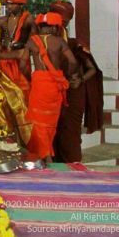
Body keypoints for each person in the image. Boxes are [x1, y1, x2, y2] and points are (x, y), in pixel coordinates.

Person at [50, 0, 104, 162]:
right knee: (52, 131)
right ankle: (56, 168)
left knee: (70, 133)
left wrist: (80, 80)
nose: (60, 25)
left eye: (64, 21)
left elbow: (92, 69)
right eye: (57, 20)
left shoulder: (75, 44)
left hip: (73, 93)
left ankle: (73, 167)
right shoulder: (44, 41)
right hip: (53, 92)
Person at [24, 12, 80, 162]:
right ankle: (47, 155)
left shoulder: (32, 41)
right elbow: (73, 62)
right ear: (55, 28)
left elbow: (23, 63)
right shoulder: (59, 41)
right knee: (50, 123)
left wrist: (30, 78)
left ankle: (43, 155)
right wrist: (69, 75)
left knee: (38, 122)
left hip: (39, 83)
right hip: (54, 84)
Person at [0, 0, 34, 102]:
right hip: (5, 60)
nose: (9, 7)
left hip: (20, 59)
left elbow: (35, 40)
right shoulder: (2, 21)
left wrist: (22, 44)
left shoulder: (28, 19)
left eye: (12, 4)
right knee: (5, 91)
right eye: (7, 4)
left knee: (22, 92)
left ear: (20, 4)